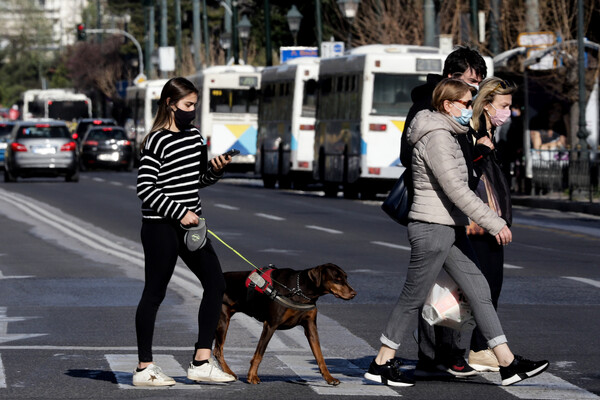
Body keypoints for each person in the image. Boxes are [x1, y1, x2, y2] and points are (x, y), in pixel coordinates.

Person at [364, 78, 549, 387]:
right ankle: (381, 361)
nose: (469, 108)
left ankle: (507, 363)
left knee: (479, 290)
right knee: (412, 297)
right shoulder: (437, 136)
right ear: (448, 105)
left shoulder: (450, 133)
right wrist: (495, 222)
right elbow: (456, 190)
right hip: (433, 227)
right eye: (465, 103)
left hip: (450, 226)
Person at [133, 77, 236, 387]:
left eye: (195, 105)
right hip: (161, 227)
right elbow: (145, 188)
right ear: (170, 104)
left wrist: (214, 171)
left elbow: (196, 181)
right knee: (154, 294)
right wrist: (180, 213)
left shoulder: (194, 137)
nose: (193, 111)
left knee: (216, 285)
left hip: (192, 227)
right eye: (188, 105)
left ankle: (201, 361)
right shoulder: (156, 140)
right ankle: (144, 368)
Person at [400, 46, 488, 377]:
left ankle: (443, 353)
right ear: (452, 78)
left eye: (480, 82)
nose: (475, 89)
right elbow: (410, 156)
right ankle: (440, 353)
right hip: (434, 211)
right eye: (471, 81)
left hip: (452, 210)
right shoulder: (426, 107)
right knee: (435, 286)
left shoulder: (465, 108)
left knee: (446, 285)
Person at [466, 78, 515, 372]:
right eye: (504, 106)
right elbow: (462, 173)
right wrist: (480, 151)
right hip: (477, 222)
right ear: (486, 105)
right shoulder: (472, 133)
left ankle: (479, 347)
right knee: (482, 288)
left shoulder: (490, 131)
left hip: (489, 221)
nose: (508, 111)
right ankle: (477, 348)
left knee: (490, 286)